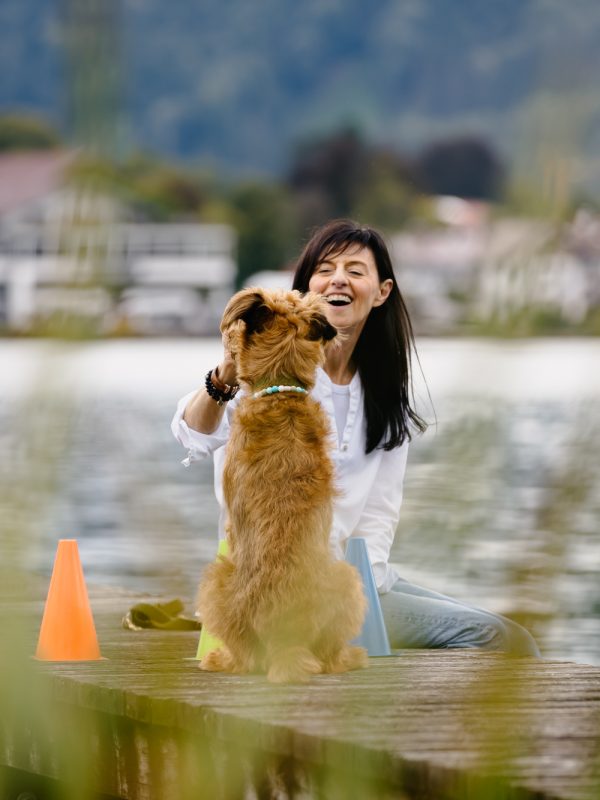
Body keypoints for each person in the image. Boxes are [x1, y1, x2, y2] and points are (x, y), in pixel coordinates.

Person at [171, 218, 540, 657]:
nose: (338, 279)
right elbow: (193, 435)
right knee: (500, 639)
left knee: (508, 636)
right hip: (279, 588)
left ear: (382, 292)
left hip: (358, 581)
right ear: (308, 286)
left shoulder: (384, 392)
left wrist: (362, 591)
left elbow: (380, 513)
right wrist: (227, 372)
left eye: (355, 270)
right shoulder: (271, 376)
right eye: (325, 269)